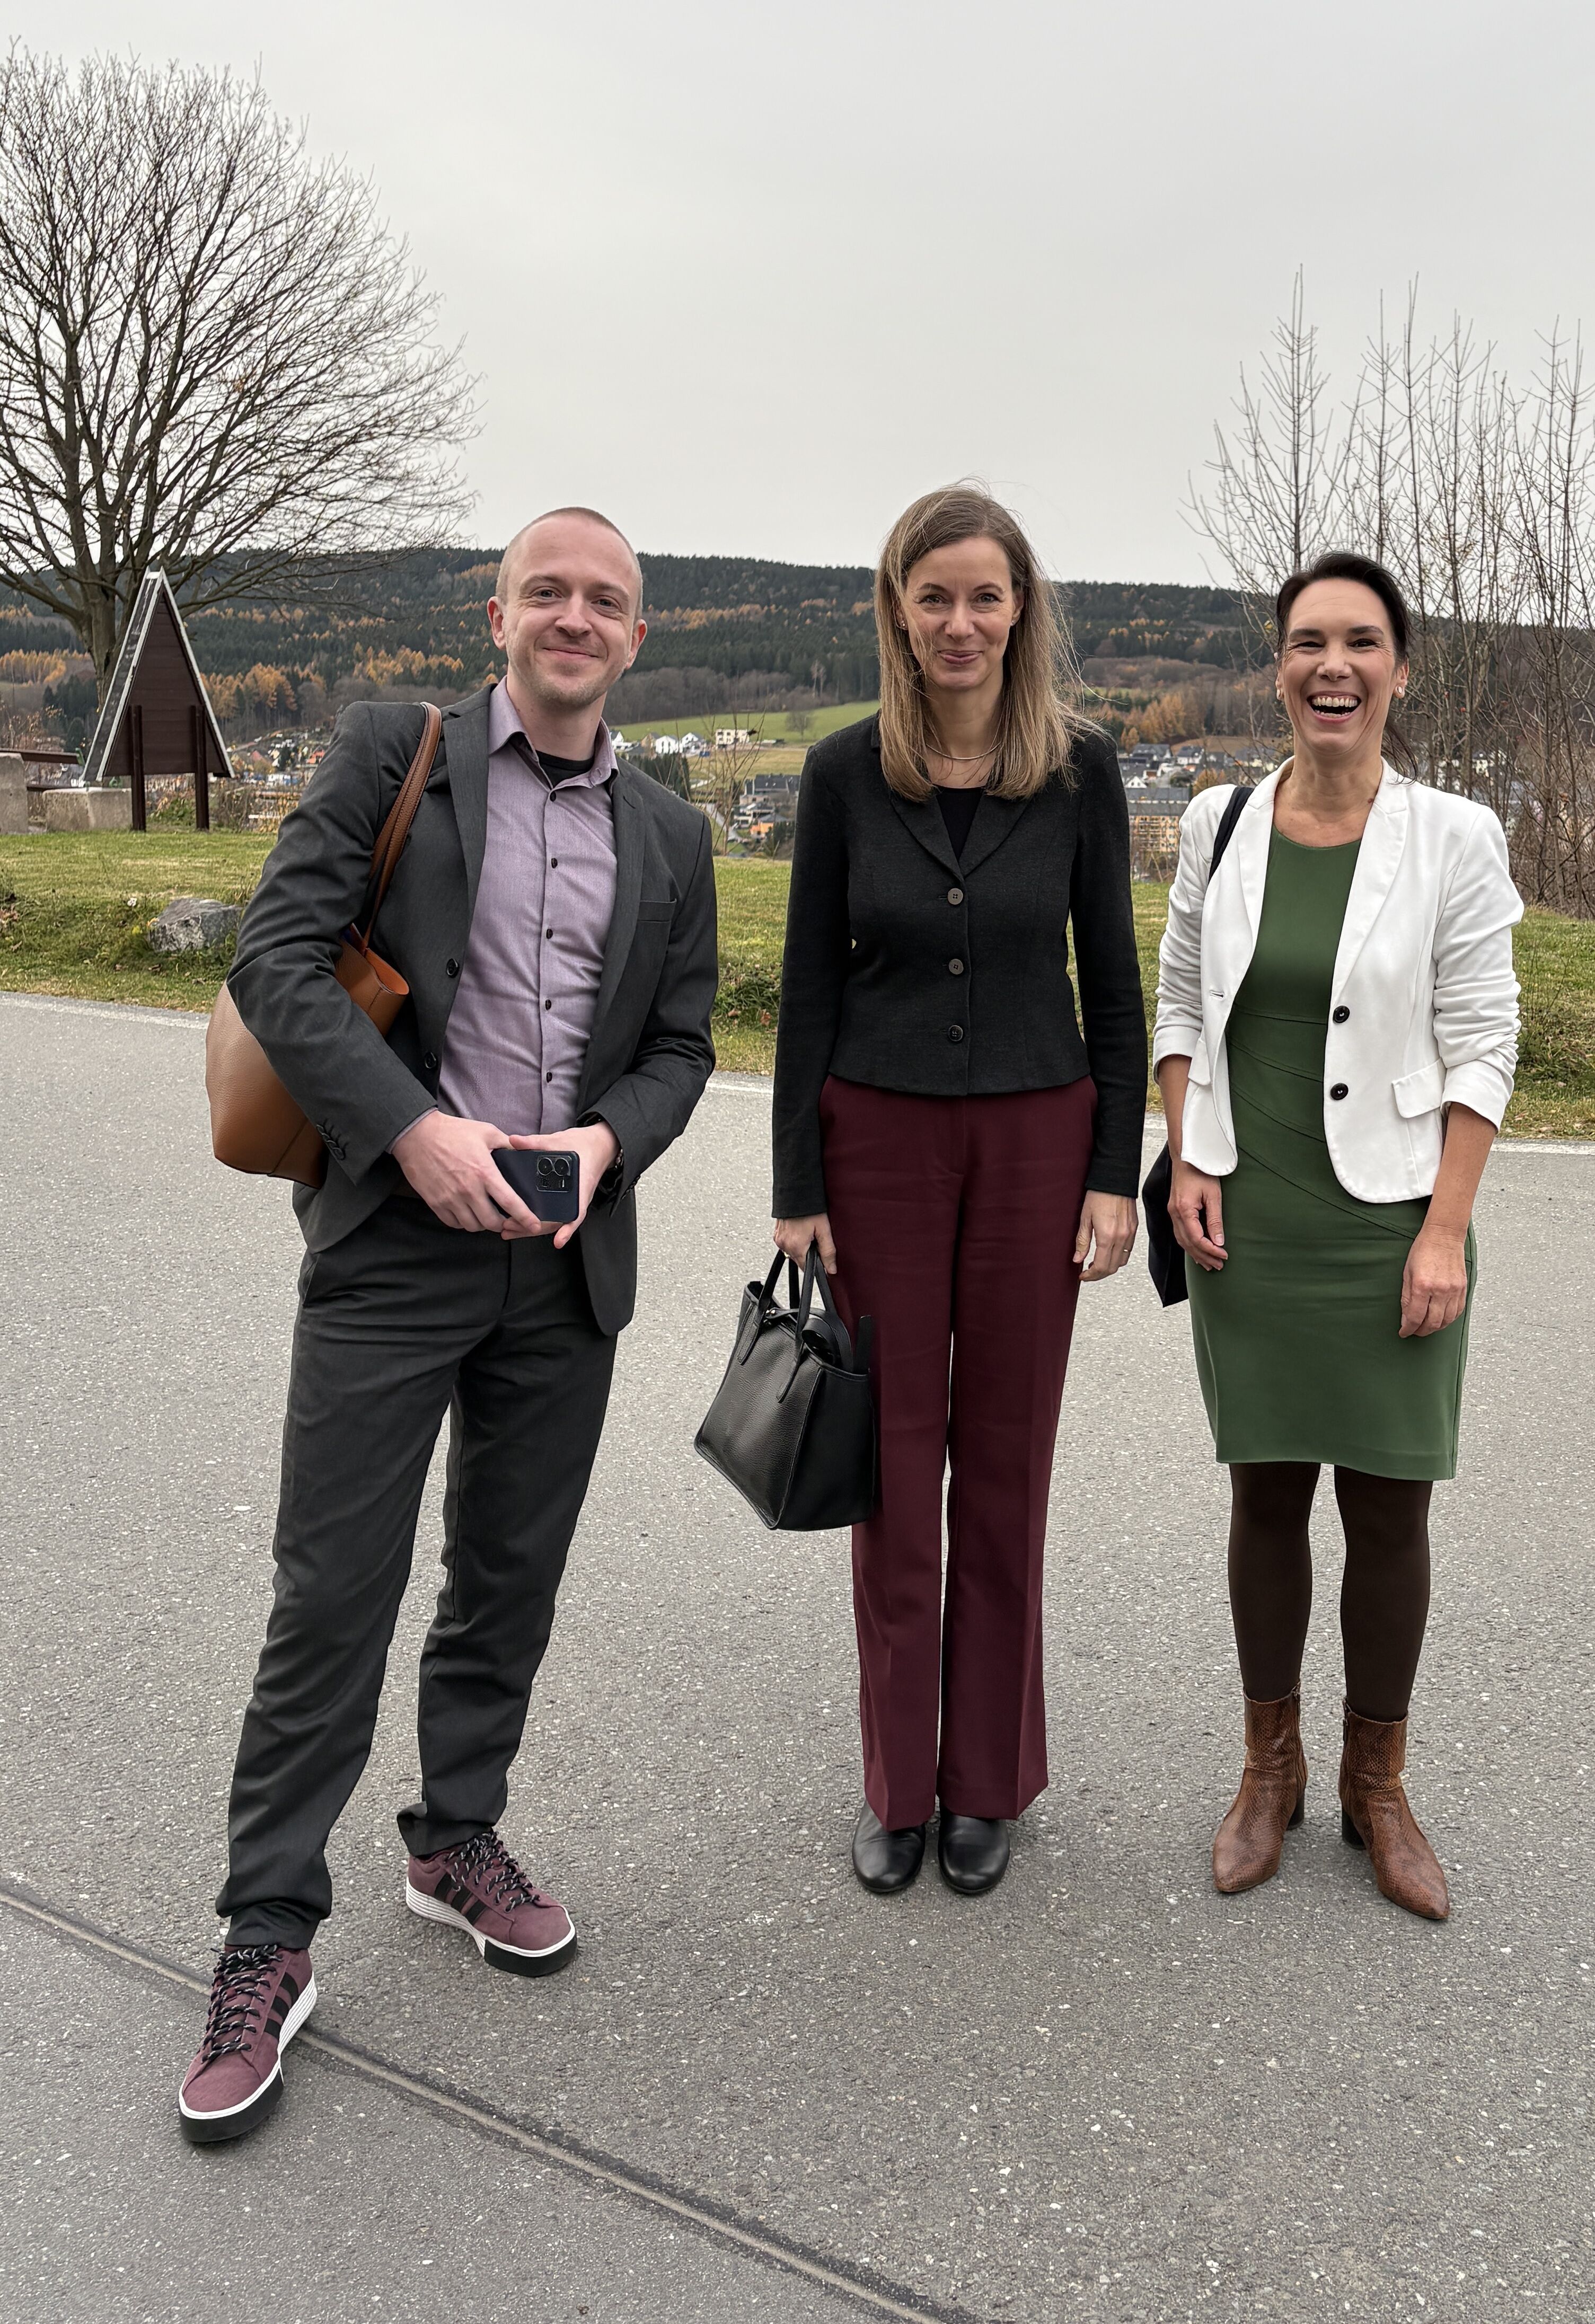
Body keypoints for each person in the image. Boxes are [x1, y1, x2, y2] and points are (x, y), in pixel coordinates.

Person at [178, 508, 717, 2142]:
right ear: (498, 614)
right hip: (391, 1246)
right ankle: (267, 1931)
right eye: (546, 589)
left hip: (561, 1261)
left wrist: (606, 1144)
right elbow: (278, 956)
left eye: (603, 601)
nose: (573, 616)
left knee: (507, 1576)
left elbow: (683, 1042)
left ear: (637, 638)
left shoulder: (675, 832)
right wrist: (414, 1131)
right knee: (332, 1586)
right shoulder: (387, 751)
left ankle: (451, 1837)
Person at [771, 485, 1146, 1899]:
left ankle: (984, 1776)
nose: (959, 621)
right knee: (891, 1467)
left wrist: (1114, 1169)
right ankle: (895, 1781)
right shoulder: (842, 772)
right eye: (932, 596)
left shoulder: (1081, 770)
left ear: (1020, 611)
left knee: (1002, 1461)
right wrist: (793, 1181)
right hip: (873, 1141)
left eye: (983, 596)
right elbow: (806, 986)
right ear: (896, 610)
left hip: (1038, 1139)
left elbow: (1108, 988)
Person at [1153, 551, 1521, 1922]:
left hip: (1388, 1223)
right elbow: (1181, 999)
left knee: (1386, 1504)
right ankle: (1269, 1769)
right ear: (1275, 665)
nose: (1331, 665)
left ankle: (1378, 1783)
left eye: (1360, 641)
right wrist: (1188, 1147)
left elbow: (1487, 1041)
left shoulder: (1453, 835)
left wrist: (1445, 1231)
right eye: (1307, 640)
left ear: (1398, 668)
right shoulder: (1218, 822)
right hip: (1252, 1213)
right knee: (1263, 1496)